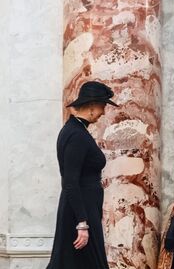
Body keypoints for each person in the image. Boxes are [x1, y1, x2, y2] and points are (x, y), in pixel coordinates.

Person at [47, 81, 117, 269]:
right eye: (103, 106)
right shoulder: (76, 134)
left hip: (82, 210)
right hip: (81, 211)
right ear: (92, 106)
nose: (103, 112)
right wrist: (82, 224)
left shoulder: (75, 130)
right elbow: (70, 182)